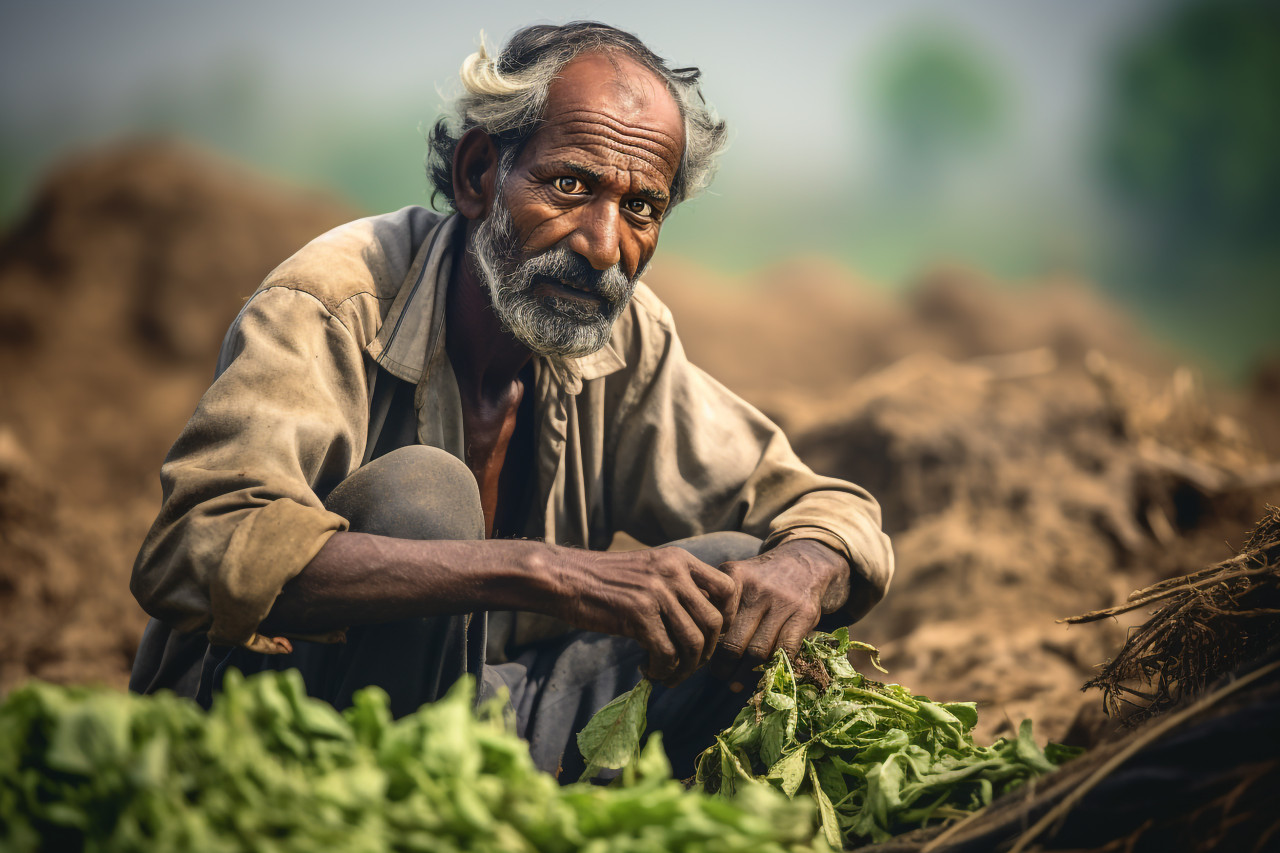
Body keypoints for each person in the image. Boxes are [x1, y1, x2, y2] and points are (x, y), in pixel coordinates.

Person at [128, 21, 893, 779]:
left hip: (489, 721)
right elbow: (195, 545)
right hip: (282, 733)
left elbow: (821, 507)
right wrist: (536, 570)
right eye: (570, 186)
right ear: (477, 175)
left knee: (738, 575)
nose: (602, 245)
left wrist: (805, 565)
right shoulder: (335, 300)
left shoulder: (624, 340)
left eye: (641, 209)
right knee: (422, 497)